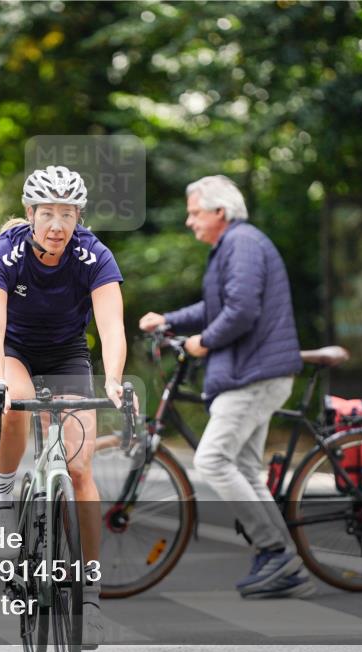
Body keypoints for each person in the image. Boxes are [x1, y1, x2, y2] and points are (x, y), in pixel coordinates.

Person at [0, 165, 129, 646]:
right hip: (14, 352)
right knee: (15, 405)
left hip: (66, 355)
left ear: (79, 216)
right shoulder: (5, 253)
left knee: (80, 469)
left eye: (67, 214)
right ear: (30, 214)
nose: (57, 224)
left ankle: (89, 593)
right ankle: (3, 492)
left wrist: (116, 380)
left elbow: (111, 328)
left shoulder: (92, 255)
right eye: (48, 214)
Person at [139, 175, 312, 599]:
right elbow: (216, 306)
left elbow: (241, 310)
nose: (188, 221)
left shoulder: (243, 243)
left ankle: (276, 550)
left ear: (220, 211)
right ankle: (276, 557)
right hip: (250, 373)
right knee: (247, 469)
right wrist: (170, 321)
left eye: (194, 212)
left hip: (254, 374)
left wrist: (203, 342)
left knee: (213, 460)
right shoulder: (229, 248)